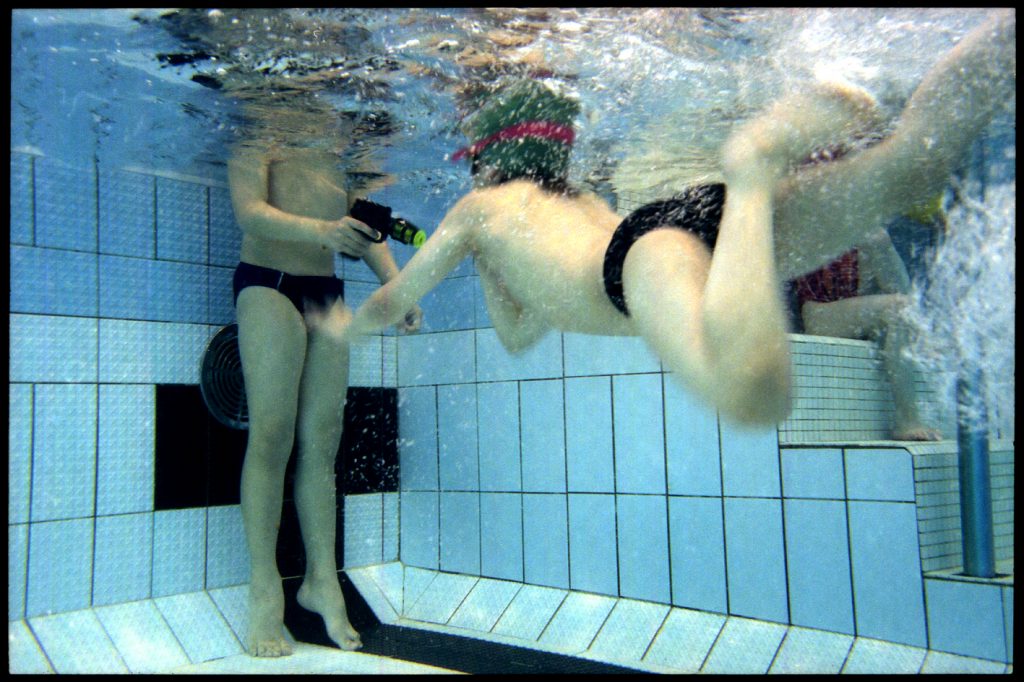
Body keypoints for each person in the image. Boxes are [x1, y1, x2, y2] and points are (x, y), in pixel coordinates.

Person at [309, 10, 1014, 427]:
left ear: (484, 161)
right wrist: (496, 267)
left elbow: (403, 298)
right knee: (911, 166)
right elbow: (523, 334)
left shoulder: (478, 211)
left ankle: (755, 162)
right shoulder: (577, 197)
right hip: (692, 225)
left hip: (637, 261)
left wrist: (346, 327)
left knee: (750, 393)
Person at [228, 142, 422, 657]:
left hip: (326, 291)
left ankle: (321, 582)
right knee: (272, 433)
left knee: (323, 443)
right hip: (267, 283)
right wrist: (324, 231)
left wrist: (396, 285)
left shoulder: (347, 141)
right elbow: (249, 213)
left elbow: (363, 229)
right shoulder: (261, 126)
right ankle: (264, 589)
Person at [791, 223, 944, 441]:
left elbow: (901, 292)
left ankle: (916, 333)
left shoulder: (855, 217)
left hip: (853, 305)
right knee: (899, 309)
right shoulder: (810, 211)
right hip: (818, 314)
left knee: (878, 240)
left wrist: (883, 245)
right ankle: (907, 420)